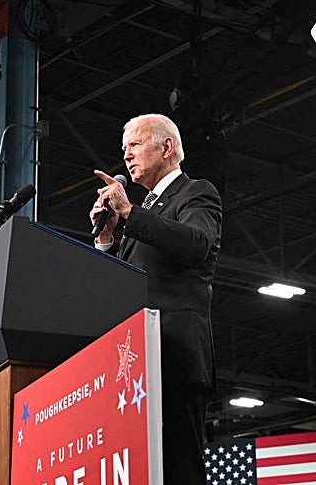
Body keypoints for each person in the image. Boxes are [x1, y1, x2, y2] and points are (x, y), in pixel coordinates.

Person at [90, 113, 221, 485]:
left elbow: (195, 244)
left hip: (176, 354)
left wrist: (129, 213)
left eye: (134, 144)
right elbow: (123, 284)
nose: (127, 155)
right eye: (123, 149)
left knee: (180, 470)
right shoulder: (141, 214)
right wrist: (105, 241)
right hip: (135, 365)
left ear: (165, 147)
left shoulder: (196, 192)